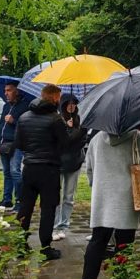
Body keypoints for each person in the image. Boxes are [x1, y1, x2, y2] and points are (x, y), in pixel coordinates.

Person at [80, 128, 140, 279]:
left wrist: (97, 186)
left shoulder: (97, 139)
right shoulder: (137, 138)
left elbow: (89, 169)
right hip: (127, 197)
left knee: (98, 238)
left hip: (102, 196)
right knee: (125, 240)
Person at [14, 84, 85, 260]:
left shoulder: (24, 117)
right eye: (59, 97)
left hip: (29, 167)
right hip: (50, 169)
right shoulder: (55, 119)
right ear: (54, 98)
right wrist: (81, 130)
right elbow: (66, 142)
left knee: (26, 207)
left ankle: (20, 244)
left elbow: (19, 143)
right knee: (48, 208)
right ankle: (46, 247)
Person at [53, 94, 88, 242]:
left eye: (74, 103)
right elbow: (61, 142)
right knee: (56, 196)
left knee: (69, 196)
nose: (71, 106)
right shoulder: (57, 120)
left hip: (74, 162)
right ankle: (54, 226)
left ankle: (63, 225)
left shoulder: (80, 120)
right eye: (68, 103)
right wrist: (69, 130)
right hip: (58, 162)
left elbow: (81, 141)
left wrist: (75, 130)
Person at [0, 82, 30, 211]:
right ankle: (6, 199)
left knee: (15, 171)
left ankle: (19, 200)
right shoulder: (6, 106)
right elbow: (0, 127)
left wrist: (13, 121)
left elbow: (26, 127)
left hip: (17, 144)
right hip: (4, 144)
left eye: (9, 90)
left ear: (17, 91)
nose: (6, 93)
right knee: (7, 173)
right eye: (5, 90)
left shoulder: (25, 106)